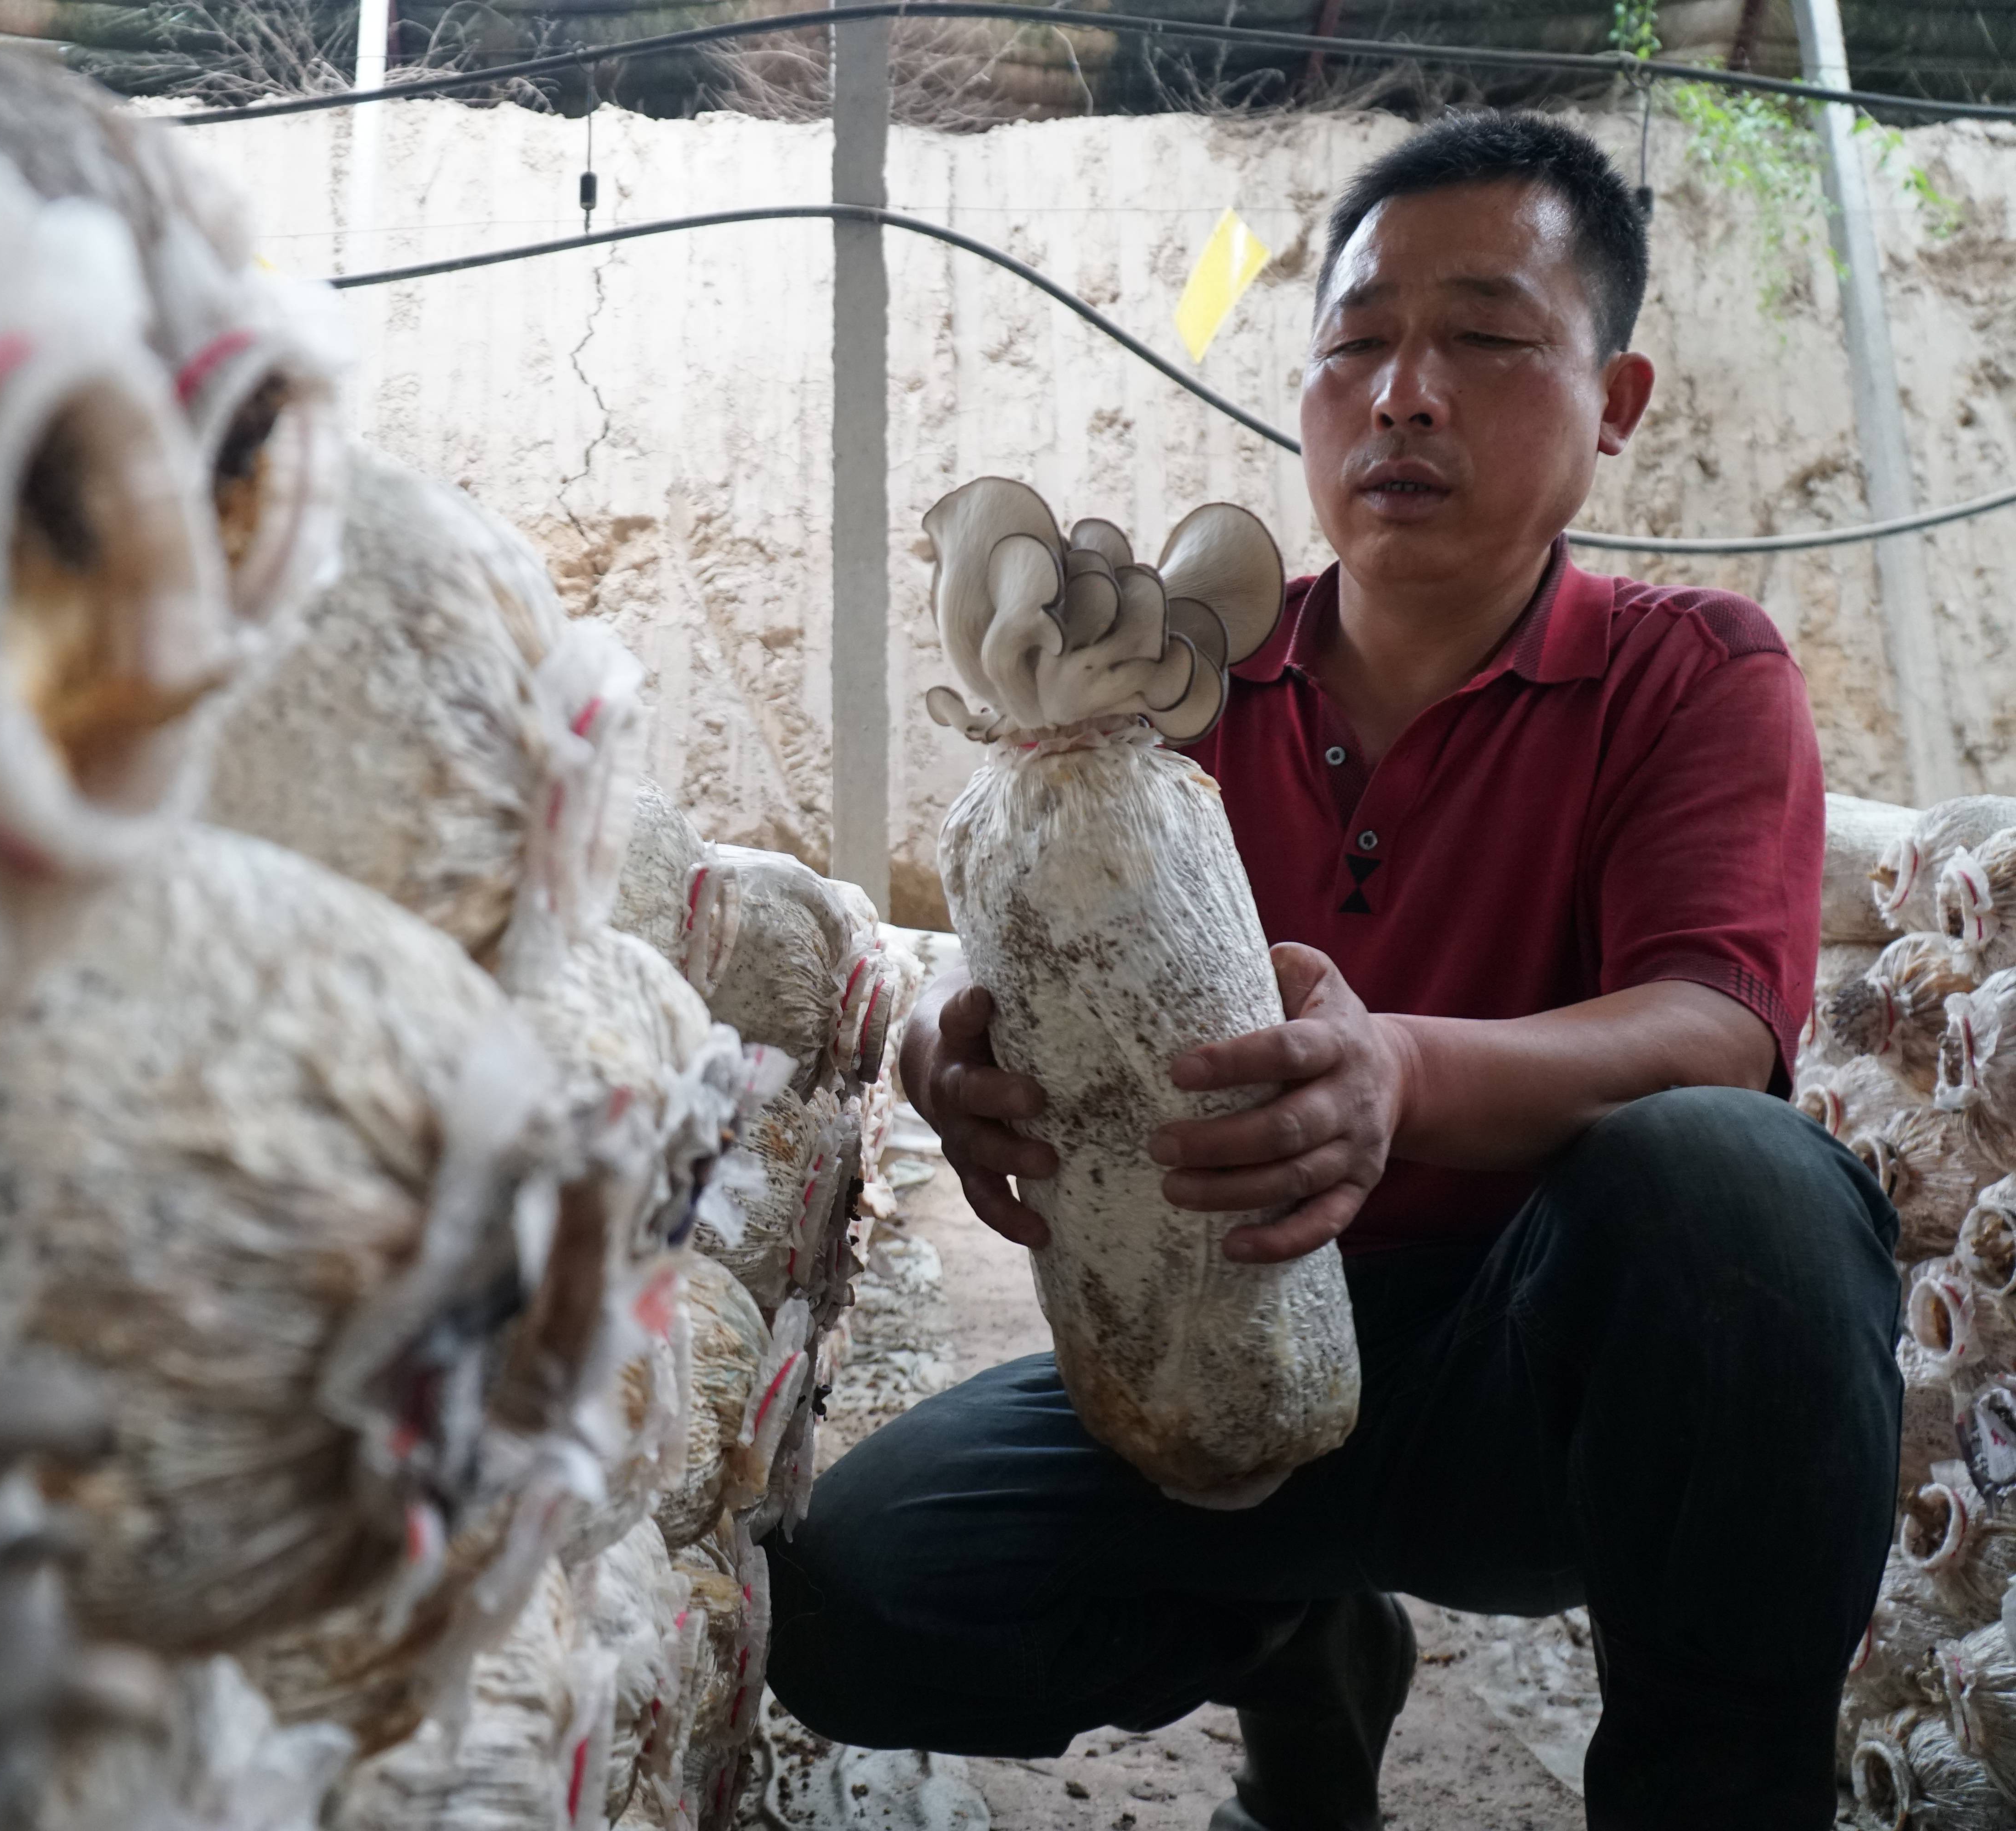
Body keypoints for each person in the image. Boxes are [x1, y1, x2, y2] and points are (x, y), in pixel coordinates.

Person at [763, 112, 1900, 1831]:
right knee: (858, 1602)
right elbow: (1036, 981)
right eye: (1356, 345)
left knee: (1743, 1188)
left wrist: (1406, 1081)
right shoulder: (1161, 703)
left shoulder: (1694, 673)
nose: (1405, 395)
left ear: (1617, 401)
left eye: (1489, 340)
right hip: (1220, 1331)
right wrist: (952, 1035)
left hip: (1538, 1369)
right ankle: (1298, 1648)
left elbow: (1718, 1029)